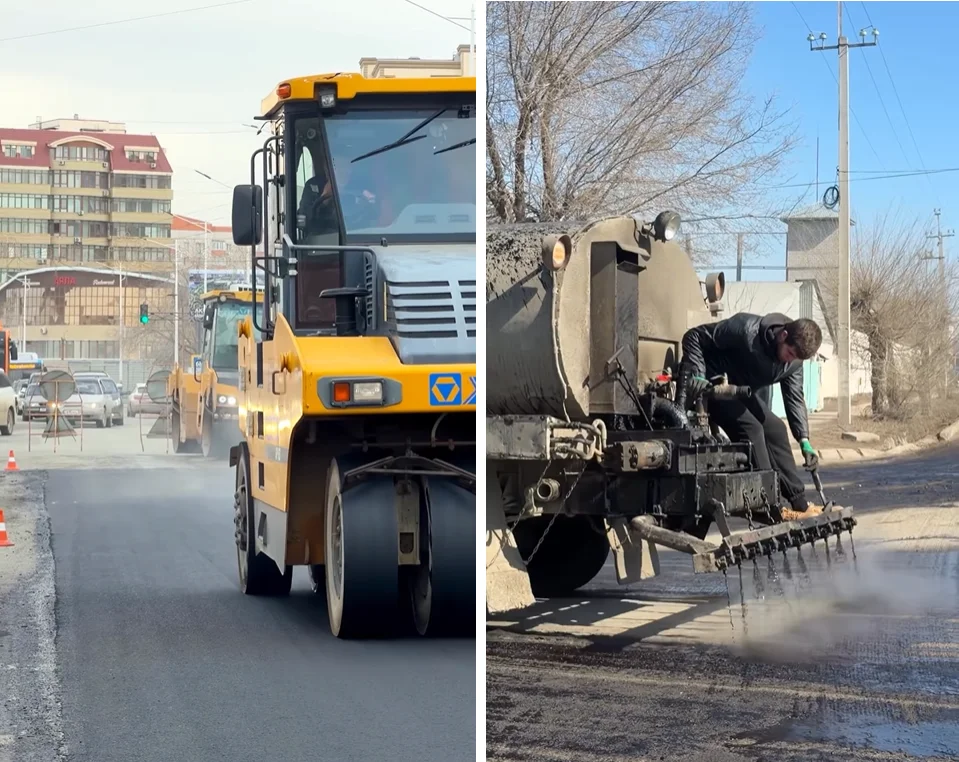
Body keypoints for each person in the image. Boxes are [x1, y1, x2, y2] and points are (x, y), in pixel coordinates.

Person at [678, 312, 823, 522]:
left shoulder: (794, 362)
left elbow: (794, 399)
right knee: (753, 429)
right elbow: (693, 337)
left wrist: (804, 441)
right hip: (714, 387)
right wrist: (698, 374)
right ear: (783, 335)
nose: (790, 361)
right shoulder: (745, 329)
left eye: (796, 358)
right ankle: (771, 506)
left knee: (776, 429)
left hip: (743, 392)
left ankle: (799, 502)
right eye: (790, 353)